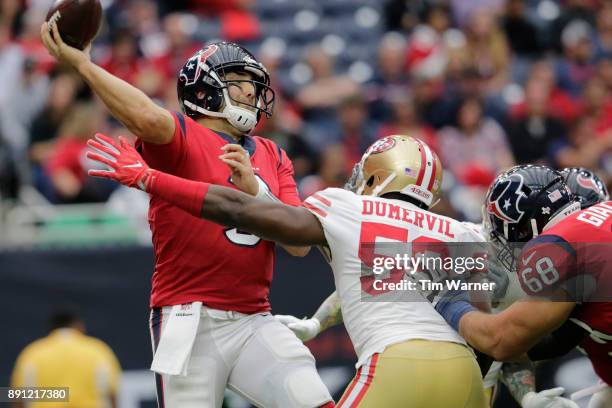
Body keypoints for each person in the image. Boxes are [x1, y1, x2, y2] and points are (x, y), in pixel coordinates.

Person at [40, 22, 332, 408]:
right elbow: (146, 116)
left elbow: (297, 243)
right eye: (239, 80)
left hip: (254, 318)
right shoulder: (181, 135)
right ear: (204, 92)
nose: (251, 90)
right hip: (188, 318)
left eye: (253, 82)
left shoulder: (273, 154)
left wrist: (256, 191)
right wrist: (85, 65)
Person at [87, 133, 487, 407]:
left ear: (377, 174)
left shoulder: (350, 208)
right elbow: (507, 317)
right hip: (466, 374)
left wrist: (149, 178)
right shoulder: (462, 231)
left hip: (399, 363)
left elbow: (243, 212)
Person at [433, 165, 611, 408]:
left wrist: (447, 302)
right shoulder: (594, 230)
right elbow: (549, 339)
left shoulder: (564, 246)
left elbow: (501, 340)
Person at [10, 307, 121, 408]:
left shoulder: (33, 353)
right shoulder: (97, 350)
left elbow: (18, 396)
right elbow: (112, 393)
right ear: (79, 325)